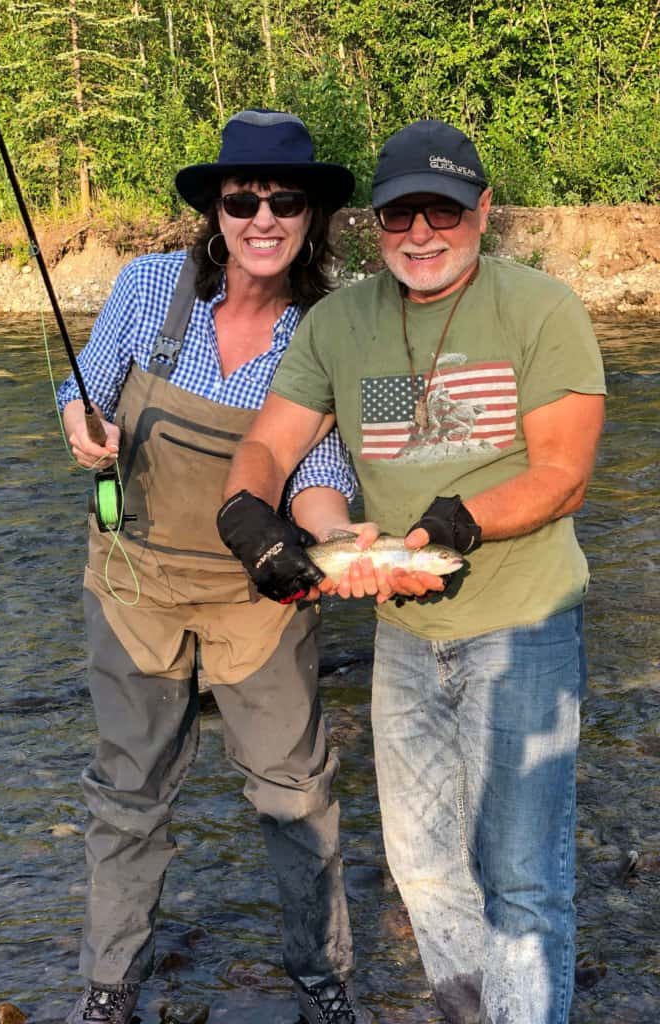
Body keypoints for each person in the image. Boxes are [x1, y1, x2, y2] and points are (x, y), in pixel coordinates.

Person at [218, 119, 606, 1024]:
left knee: (521, 879)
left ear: (483, 211)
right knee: (424, 867)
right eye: (400, 217)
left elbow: (564, 476)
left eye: (443, 211)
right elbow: (267, 449)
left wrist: (459, 520)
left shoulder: (542, 309)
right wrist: (251, 523)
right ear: (372, 224)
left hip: (525, 628)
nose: (422, 234)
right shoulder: (338, 323)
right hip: (402, 636)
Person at [57, 109, 377, 1024]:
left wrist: (337, 534)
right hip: (133, 585)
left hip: (262, 594)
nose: (263, 218)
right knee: (127, 790)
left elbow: (316, 465)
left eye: (285, 200)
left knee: (296, 794)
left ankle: (322, 981)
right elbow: (81, 384)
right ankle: (111, 983)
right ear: (217, 211)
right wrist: (80, 426)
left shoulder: (328, 327)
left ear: (312, 215)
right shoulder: (148, 286)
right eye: (244, 200)